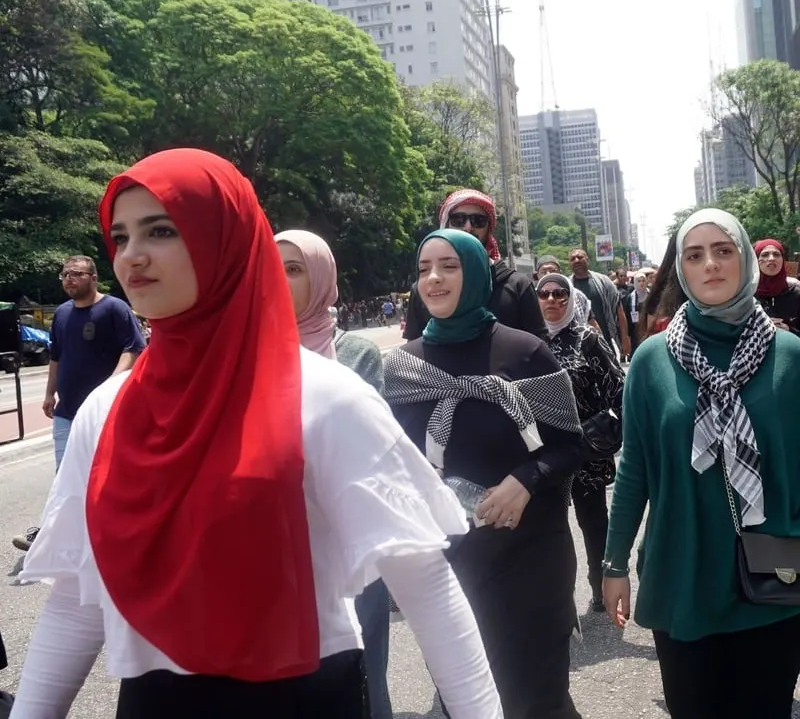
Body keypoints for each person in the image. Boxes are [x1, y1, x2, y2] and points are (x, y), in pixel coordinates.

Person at [8, 150, 502, 719]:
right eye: (119, 237)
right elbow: (75, 600)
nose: (132, 256)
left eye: (161, 230)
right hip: (155, 699)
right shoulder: (107, 410)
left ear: (227, 240)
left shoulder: (325, 397)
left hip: (303, 696)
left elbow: (426, 585)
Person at [603, 208, 800, 719]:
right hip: (682, 572)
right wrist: (615, 562)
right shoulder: (651, 361)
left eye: (723, 250)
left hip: (774, 579)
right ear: (681, 271)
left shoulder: (789, 356)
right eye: (695, 255)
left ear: (745, 260)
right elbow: (634, 472)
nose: (710, 264)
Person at [385, 228, 584, 719]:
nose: (433, 278)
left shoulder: (525, 352)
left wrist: (525, 481)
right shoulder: (404, 368)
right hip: (450, 567)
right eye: (424, 268)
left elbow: (571, 445)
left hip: (530, 558)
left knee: (538, 700)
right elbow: (395, 468)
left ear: (475, 273)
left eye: (449, 266)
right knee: (469, 702)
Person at [275, 228, 391, 719]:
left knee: (361, 673)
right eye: (271, 268)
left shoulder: (357, 353)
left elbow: (373, 453)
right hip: (275, 541)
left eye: (294, 269)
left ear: (321, 278)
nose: (279, 280)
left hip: (350, 538)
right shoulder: (245, 350)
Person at [11, 255, 145, 552]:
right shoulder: (61, 313)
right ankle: (49, 534)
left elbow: (133, 348)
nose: (69, 279)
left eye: (76, 274)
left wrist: (110, 386)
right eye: (65, 274)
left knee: (107, 475)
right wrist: (49, 393)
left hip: (104, 413)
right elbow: (56, 356)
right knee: (65, 476)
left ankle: (116, 535)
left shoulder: (114, 308)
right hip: (67, 412)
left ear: (93, 277)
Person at [536, 273, 624, 612]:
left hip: (586, 447)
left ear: (570, 298)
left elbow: (618, 386)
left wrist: (607, 427)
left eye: (561, 293)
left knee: (592, 519)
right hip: (542, 451)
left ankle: (600, 585)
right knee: (548, 524)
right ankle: (557, 594)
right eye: (545, 294)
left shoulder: (588, 339)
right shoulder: (528, 342)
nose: (553, 300)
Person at [403, 189, 546, 341]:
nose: (468, 227)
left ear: (489, 228)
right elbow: (414, 352)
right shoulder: (426, 288)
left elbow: (536, 350)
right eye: (458, 219)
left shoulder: (517, 286)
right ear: (445, 225)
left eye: (478, 221)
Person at [568, 249, 630, 358]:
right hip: (579, 348)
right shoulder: (567, 287)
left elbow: (618, 310)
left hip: (606, 342)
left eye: (580, 257)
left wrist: (625, 338)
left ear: (588, 260)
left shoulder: (604, 281)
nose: (576, 260)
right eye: (573, 259)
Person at [753, 238, 800, 336]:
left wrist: (789, 330)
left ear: (783, 260)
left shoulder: (796, 292)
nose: (771, 258)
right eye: (765, 254)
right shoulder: (746, 292)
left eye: (776, 254)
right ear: (756, 260)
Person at [536, 256, 596, 329]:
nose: (548, 274)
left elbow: (592, 323)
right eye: (543, 272)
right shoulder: (531, 296)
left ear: (560, 273)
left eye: (552, 270)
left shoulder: (577, 296)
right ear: (537, 275)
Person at [622, 270, 649, 354]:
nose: (641, 283)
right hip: (635, 331)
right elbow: (627, 316)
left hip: (649, 328)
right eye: (639, 281)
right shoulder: (630, 297)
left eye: (643, 281)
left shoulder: (651, 295)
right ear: (635, 282)